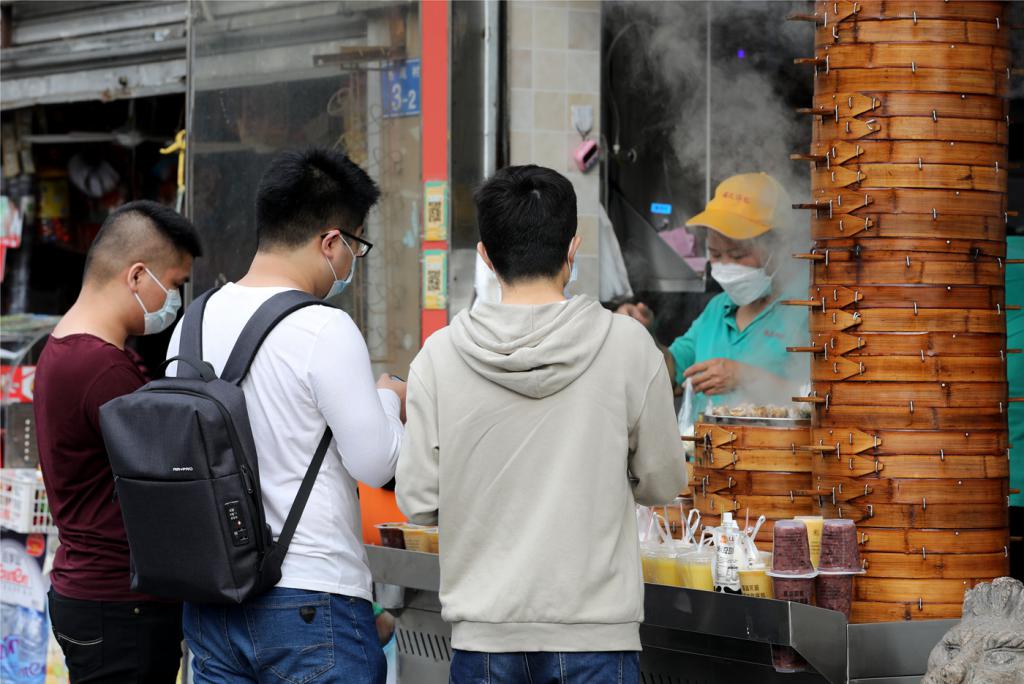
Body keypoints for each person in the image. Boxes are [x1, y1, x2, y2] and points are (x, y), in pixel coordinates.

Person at [397, 165, 686, 684]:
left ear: (486, 256)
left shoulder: (438, 358)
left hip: (485, 636)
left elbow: (419, 500)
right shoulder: (629, 347)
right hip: (597, 638)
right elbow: (663, 482)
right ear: (573, 249)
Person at [165, 147, 404, 684]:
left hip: (213, 601)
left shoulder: (192, 323)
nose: (352, 263)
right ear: (331, 242)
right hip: (311, 598)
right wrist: (389, 397)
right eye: (355, 247)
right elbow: (375, 462)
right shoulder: (323, 327)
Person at [34, 200, 202, 683]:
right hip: (119, 604)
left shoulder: (63, 346)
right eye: (174, 284)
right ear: (137, 276)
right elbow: (166, 480)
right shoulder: (102, 367)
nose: (175, 299)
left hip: (92, 593)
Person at [618, 173, 808, 423]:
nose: (726, 265)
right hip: (703, 446)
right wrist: (644, 334)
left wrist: (745, 377)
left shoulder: (807, 311)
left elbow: (824, 401)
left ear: (779, 249)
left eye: (738, 255)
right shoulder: (718, 308)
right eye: (716, 254)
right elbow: (671, 371)